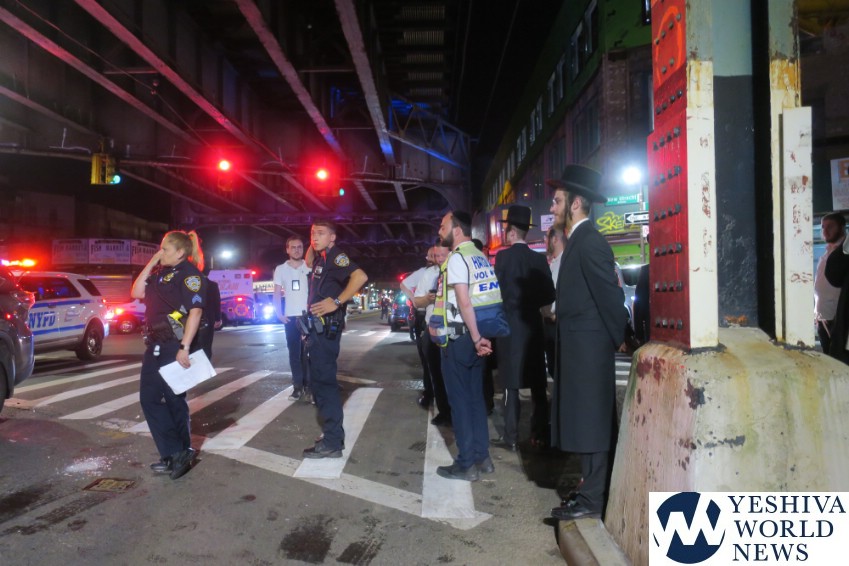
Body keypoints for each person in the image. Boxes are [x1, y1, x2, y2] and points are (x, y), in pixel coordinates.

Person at [547, 165, 626, 521]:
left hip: (589, 350)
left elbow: (610, 296)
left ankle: (594, 498)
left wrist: (617, 338)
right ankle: (589, 488)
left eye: (557, 201)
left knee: (592, 423)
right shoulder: (578, 240)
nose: (552, 207)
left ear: (575, 203)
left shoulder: (590, 240)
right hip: (580, 348)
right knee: (585, 420)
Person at [131, 230, 206, 480]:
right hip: (154, 344)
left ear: (180, 252)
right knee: (149, 399)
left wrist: (184, 347)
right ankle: (175, 452)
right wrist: (153, 261)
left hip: (174, 344)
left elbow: (195, 312)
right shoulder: (160, 273)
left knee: (174, 399)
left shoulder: (190, 275)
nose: (160, 252)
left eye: (165, 249)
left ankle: (178, 453)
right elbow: (137, 292)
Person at [434, 211, 495, 481]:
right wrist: (482, 337)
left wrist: (475, 337)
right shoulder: (479, 256)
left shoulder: (457, 258)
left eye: (443, 226)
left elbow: (464, 301)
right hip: (477, 338)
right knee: (476, 400)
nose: (440, 231)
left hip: (460, 339)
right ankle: (483, 457)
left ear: (457, 230)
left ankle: (466, 464)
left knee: (459, 403)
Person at [301, 220, 368, 458]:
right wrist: (315, 242)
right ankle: (332, 436)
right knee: (319, 383)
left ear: (333, 238)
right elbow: (307, 261)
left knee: (325, 384)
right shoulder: (321, 258)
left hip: (326, 330)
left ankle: (332, 443)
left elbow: (360, 276)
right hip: (317, 330)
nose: (314, 237)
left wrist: (337, 302)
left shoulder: (336, 256)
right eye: (312, 233)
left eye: (320, 233)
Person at [492, 205, 556, 451]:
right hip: (532, 327)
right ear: (526, 232)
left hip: (509, 327)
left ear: (510, 232)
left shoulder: (502, 258)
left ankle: (511, 436)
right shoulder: (538, 259)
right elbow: (549, 294)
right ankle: (539, 433)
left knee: (511, 384)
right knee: (537, 382)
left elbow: (495, 293)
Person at [413, 241, 452, 426]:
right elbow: (416, 302)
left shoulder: (457, 269)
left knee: (453, 373)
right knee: (435, 373)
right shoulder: (429, 274)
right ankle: (444, 411)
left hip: (452, 328)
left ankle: (458, 410)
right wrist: (427, 299)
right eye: (436, 255)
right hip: (432, 328)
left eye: (442, 255)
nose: (438, 258)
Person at [273, 235, 312, 400]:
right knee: (294, 354)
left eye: (300, 247)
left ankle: (309, 386)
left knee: (309, 354)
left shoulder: (309, 266)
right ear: (287, 249)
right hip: (290, 318)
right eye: (293, 247)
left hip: (307, 316)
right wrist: (279, 313)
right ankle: (297, 387)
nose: (297, 250)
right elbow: (276, 293)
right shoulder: (280, 269)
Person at [403, 247, 437, 407]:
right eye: (429, 255)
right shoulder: (424, 272)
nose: (429, 258)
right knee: (426, 358)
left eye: (432, 255)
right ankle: (429, 392)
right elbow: (403, 285)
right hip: (423, 317)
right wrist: (415, 300)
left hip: (438, 318)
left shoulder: (444, 269)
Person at [815, 213, 846, 355]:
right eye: (823, 227)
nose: (825, 231)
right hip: (822, 319)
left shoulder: (845, 253)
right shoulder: (826, 252)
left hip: (838, 321)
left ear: (842, 227)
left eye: (830, 227)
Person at [542, 226, 567, 382]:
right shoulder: (553, 263)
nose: (544, 241)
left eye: (546, 237)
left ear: (555, 239)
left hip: (559, 323)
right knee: (553, 368)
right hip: (549, 324)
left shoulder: (566, 262)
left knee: (560, 369)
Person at [193, 276, 221, 360]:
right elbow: (217, 302)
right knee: (207, 344)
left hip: (192, 318)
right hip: (209, 318)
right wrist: (218, 318)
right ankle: (206, 362)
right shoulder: (212, 285)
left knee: (194, 344)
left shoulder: (192, 284)